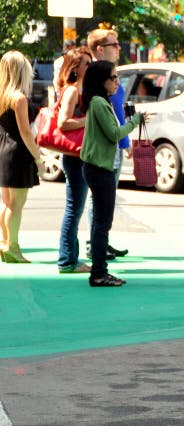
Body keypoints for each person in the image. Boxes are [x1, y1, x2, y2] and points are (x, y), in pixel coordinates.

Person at [80, 60, 143, 286]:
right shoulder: (98, 103)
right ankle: (98, 273)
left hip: (100, 167)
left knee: (102, 221)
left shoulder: (100, 102)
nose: (117, 82)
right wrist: (135, 120)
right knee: (102, 223)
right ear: (101, 80)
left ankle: (100, 271)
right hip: (99, 168)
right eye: (113, 77)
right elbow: (113, 133)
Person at [85, 28, 129, 260]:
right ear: (100, 49)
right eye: (115, 44)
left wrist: (125, 142)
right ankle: (96, 247)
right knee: (98, 202)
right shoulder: (92, 78)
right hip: (98, 156)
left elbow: (117, 114)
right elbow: (103, 121)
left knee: (105, 205)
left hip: (113, 149)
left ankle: (101, 243)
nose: (119, 48)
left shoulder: (111, 77)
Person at [0, 51, 46, 263]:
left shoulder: (3, 96)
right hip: (18, 153)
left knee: (8, 203)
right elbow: (26, 132)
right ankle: (13, 246)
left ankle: (6, 242)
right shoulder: (19, 98)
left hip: (3, 150)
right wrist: (38, 158)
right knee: (16, 205)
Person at [56, 46, 93, 274]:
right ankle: (67, 260)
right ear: (75, 67)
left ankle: (71, 257)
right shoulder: (72, 91)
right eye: (86, 63)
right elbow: (63, 123)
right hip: (74, 156)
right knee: (74, 209)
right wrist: (87, 121)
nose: (90, 67)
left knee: (75, 208)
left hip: (78, 155)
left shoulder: (80, 89)